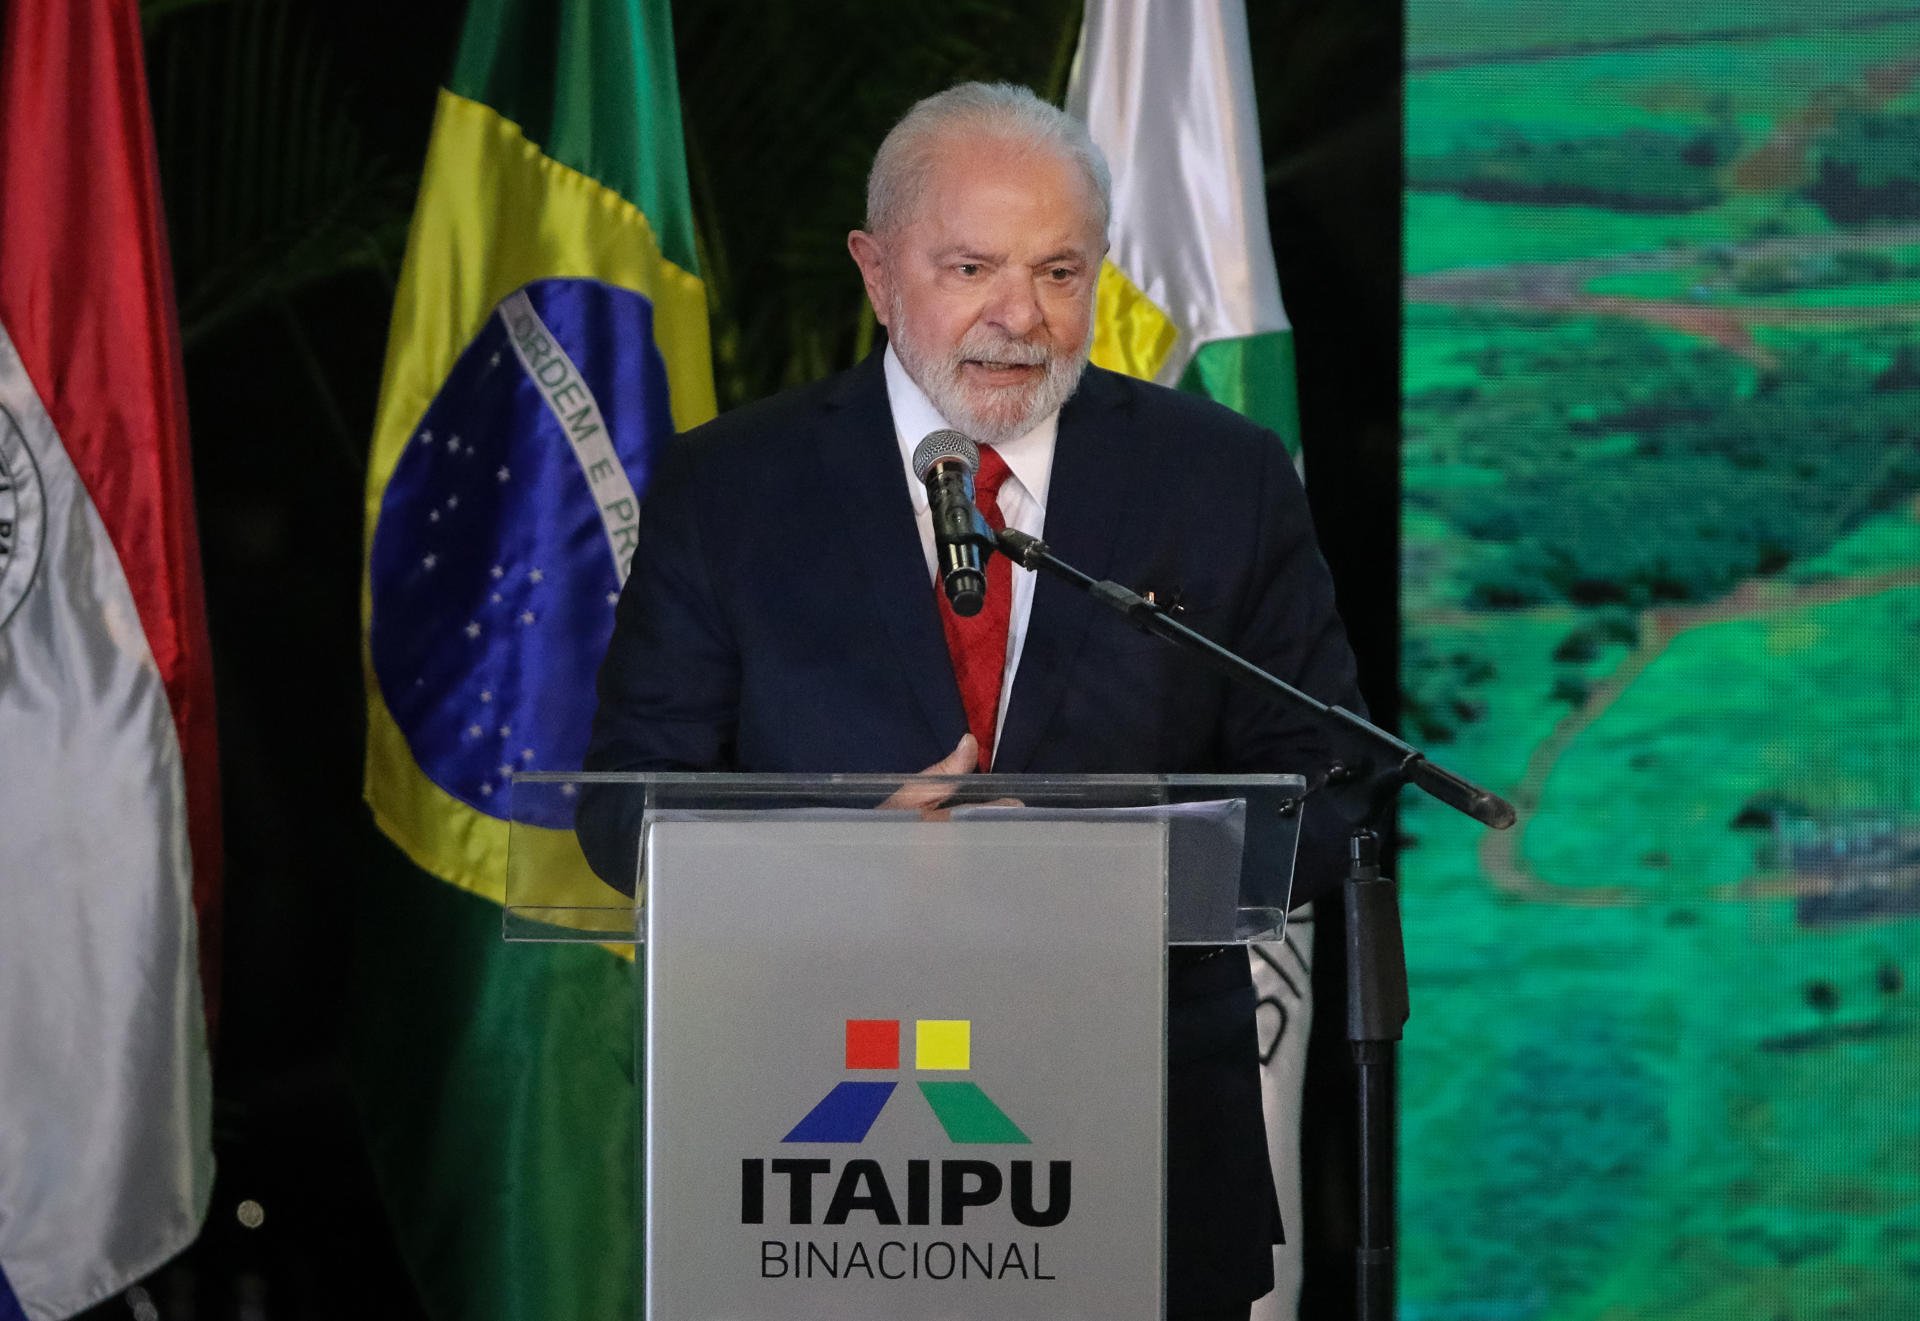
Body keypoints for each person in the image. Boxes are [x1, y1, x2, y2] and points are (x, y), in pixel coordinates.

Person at [584, 81, 1364, 1321]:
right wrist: (845, 861)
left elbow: (1328, 792)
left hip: (1141, 1133)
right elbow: (624, 804)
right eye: (971, 267)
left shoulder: (1221, 478)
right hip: (816, 1165)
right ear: (878, 271)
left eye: (1060, 271)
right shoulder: (734, 486)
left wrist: (1099, 872)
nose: (1022, 317)